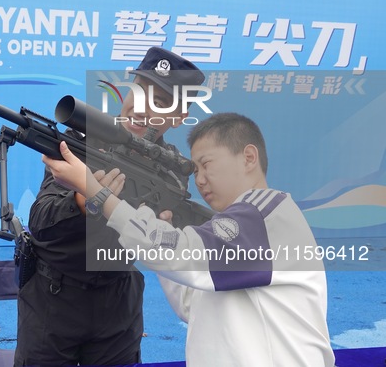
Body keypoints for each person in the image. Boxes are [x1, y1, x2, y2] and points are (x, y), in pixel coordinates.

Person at [42, 113, 335, 366]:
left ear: (248, 157)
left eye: (207, 164)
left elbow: (183, 256)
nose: (200, 180)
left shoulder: (262, 214)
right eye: (196, 170)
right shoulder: (251, 220)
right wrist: (157, 227)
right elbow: (193, 303)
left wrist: (98, 194)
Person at [14, 47, 205, 366]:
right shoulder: (81, 140)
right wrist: (82, 198)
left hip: (118, 306)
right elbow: (41, 220)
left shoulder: (171, 172)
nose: (142, 109)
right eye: (140, 92)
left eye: (160, 103)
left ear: (179, 117)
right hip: (53, 298)